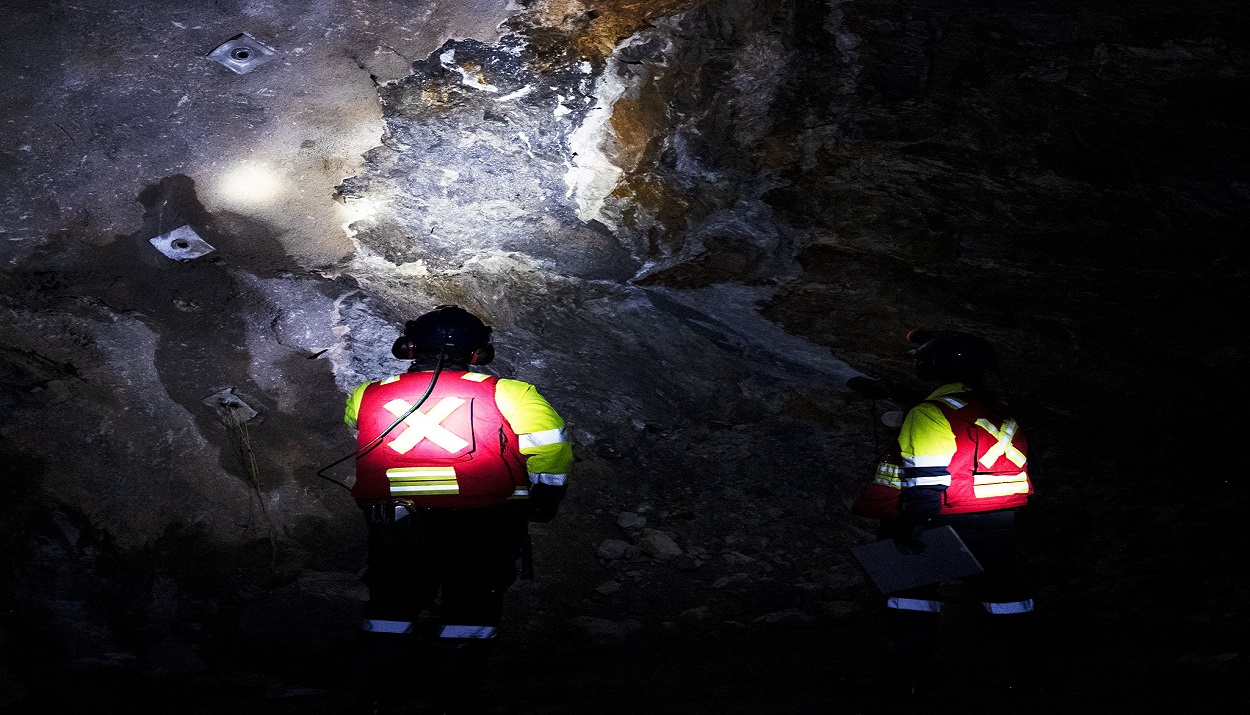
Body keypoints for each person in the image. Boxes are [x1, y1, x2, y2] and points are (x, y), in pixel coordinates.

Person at [342, 305, 572, 714]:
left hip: (395, 521)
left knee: (392, 605)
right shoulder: (514, 394)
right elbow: (550, 448)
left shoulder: (367, 393)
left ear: (409, 347)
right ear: (480, 353)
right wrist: (545, 497)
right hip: (483, 519)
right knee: (472, 606)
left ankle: (371, 695)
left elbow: (360, 430)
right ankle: (454, 698)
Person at [873, 329, 1041, 698]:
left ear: (934, 367)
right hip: (998, 520)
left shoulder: (930, 413)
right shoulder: (998, 409)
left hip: (947, 517)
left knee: (911, 598)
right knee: (1007, 601)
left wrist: (915, 526)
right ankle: (1027, 678)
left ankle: (904, 684)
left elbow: (925, 479)